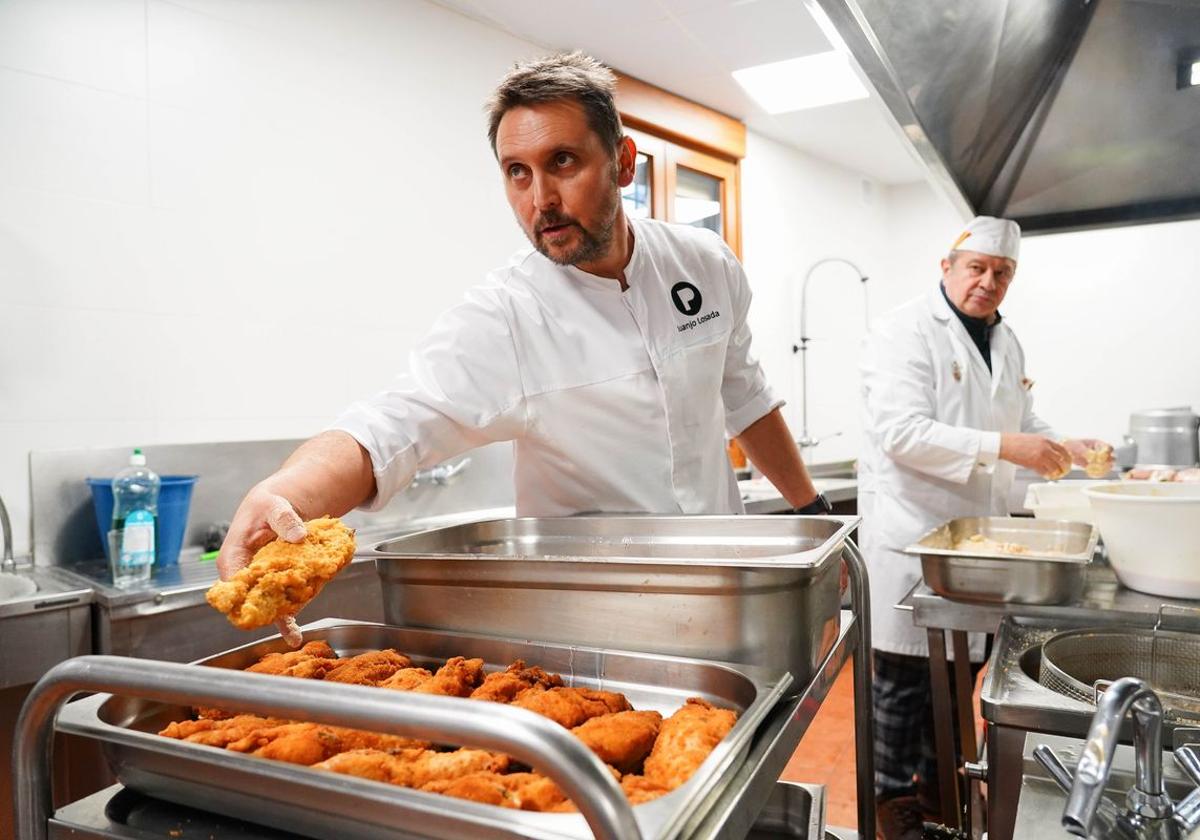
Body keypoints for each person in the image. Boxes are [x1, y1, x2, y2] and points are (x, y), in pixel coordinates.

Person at [217, 52, 829, 644]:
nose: (540, 199)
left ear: (622, 162)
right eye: (518, 172)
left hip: (726, 593)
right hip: (599, 625)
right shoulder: (506, 316)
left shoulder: (706, 262)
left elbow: (744, 392)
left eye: (562, 161)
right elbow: (389, 426)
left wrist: (812, 511)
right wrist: (288, 492)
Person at [858, 216, 1112, 838]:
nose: (988, 282)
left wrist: (1064, 445)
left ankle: (941, 802)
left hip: (973, 549)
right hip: (911, 540)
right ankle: (890, 812)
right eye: (976, 268)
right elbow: (901, 433)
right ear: (946, 267)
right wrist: (1009, 445)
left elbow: (1021, 421)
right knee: (901, 692)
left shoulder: (1006, 341)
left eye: (1002, 272)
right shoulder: (905, 330)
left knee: (953, 686)